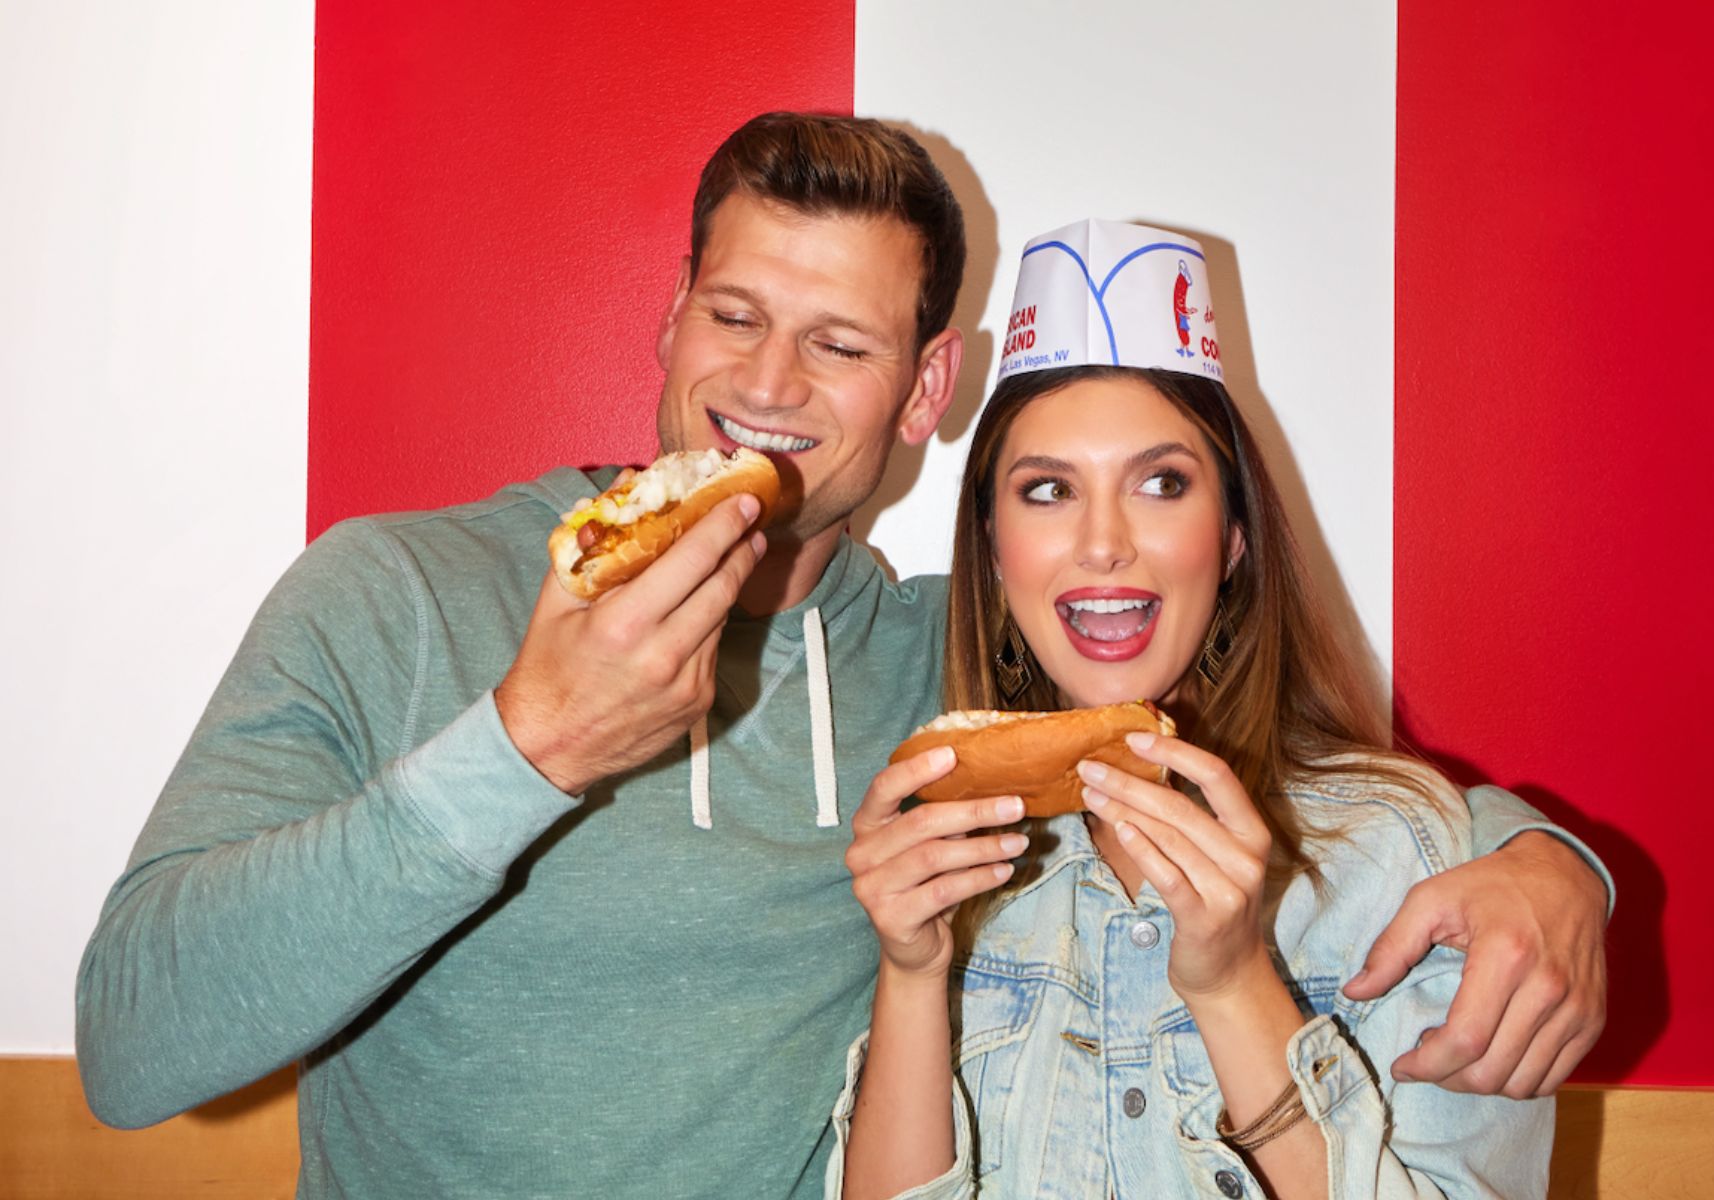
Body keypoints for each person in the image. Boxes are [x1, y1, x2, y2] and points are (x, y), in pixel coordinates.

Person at [75, 118, 1604, 1199]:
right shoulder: (396, 592)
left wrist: (1541, 863)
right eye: (732, 315)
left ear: (927, 385)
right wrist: (523, 748)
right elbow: (135, 1052)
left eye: (841, 343)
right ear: (670, 322)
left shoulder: (935, 677)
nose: (766, 383)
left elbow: (1207, 714)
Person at [834, 220, 1557, 1198]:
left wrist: (1230, 985)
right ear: (994, 552)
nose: (1101, 543)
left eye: (1160, 484)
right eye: (1045, 490)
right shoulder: (953, 855)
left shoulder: (1402, 861)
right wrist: (914, 972)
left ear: (1230, 542)